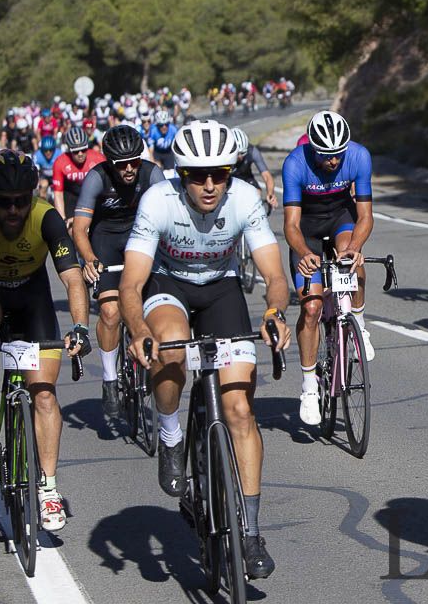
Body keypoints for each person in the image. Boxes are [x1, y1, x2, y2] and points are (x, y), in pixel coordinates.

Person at [119, 120, 291, 578]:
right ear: (180, 173)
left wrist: (274, 313)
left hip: (221, 289)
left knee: (239, 410)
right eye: (198, 175)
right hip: (168, 285)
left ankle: (250, 533)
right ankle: (171, 435)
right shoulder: (158, 200)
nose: (210, 185)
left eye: (220, 173)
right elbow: (132, 283)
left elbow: (275, 275)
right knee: (170, 347)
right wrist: (138, 331)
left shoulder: (245, 199)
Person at [0, 150, 91, 532]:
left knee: (43, 394)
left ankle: (48, 489)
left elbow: (73, 278)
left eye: (21, 201)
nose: (13, 210)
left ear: (32, 195)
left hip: (31, 294)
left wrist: (79, 327)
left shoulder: (46, 217)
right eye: (4, 202)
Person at [281, 111, 375, 426]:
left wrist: (353, 249)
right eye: (326, 155)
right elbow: (291, 225)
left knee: (353, 265)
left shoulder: (360, 156)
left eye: (338, 154)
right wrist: (304, 253)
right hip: (305, 225)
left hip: (341, 218)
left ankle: (358, 324)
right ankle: (309, 387)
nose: (333, 161)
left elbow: (365, 216)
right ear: (312, 147)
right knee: (311, 307)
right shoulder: (295, 163)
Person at [74, 125, 165, 416]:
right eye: (121, 164)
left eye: (134, 162)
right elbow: (80, 229)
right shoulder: (96, 178)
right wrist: (89, 259)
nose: (128, 169)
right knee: (111, 312)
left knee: (157, 305)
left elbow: (168, 219)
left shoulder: (152, 174)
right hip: (106, 240)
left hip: (141, 238)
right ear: (109, 163)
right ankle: (110, 379)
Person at [51, 126, 105, 228]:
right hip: (71, 197)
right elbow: (58, 193)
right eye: (75, 151)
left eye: (83, 150)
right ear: (69, 150)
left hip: (94, 196)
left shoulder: (99, 158)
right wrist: (63, 219)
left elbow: (106, 188)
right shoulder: (60, 162)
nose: (80, 154)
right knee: (72, 230)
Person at [232, 128, 278, 212]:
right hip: (228, 179)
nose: (240, 157)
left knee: (256, 193)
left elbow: (267, 176)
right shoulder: (222, 155)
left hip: (245, 177)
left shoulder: (252, 151)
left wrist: (270, 193)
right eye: (237, 154)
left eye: (243, 153)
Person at [34, 135, 61, 201]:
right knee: (44, 185)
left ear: (54, 149)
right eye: (45, 150)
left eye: (50, 150)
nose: (48, 153)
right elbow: (35, 171)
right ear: (42, 149)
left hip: (57, 177)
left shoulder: (59, 154)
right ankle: (43, 204)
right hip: (44, 177)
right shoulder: (37, 155)